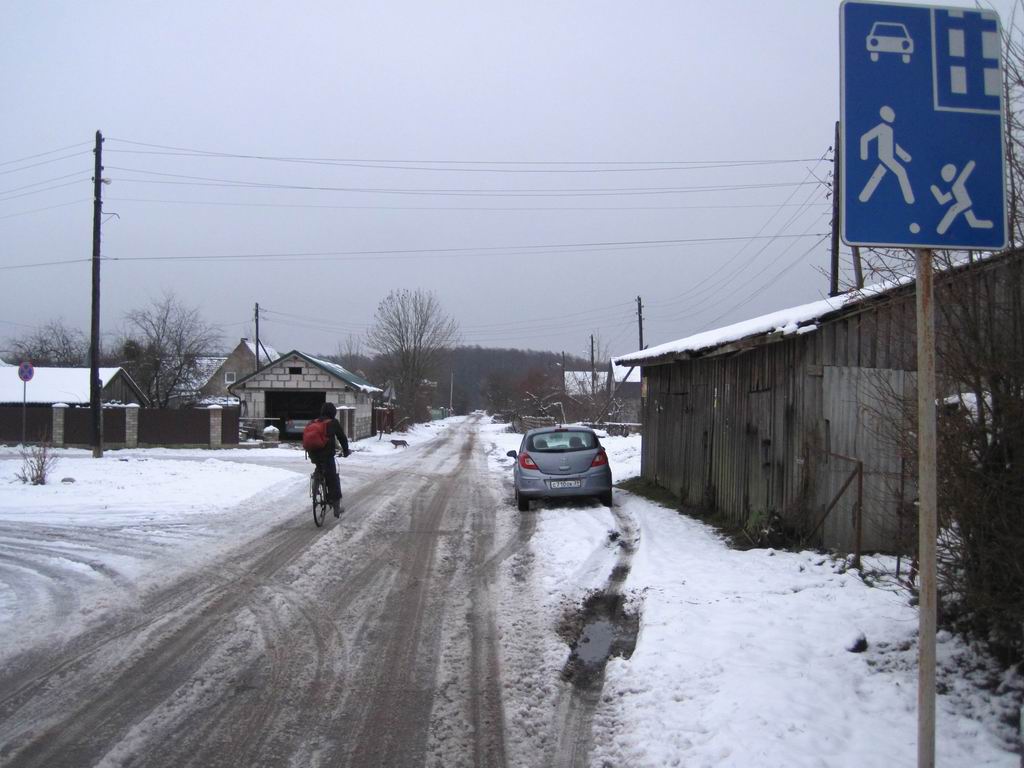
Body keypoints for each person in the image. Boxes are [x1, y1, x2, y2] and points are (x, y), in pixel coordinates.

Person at [308, 402, 351, 517]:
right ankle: (337, 507)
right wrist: (346, 451)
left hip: (313, 454)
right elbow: (342, 437)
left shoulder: (313, 422)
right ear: (333, 412)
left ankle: (316, 483)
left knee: (319, 466)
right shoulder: (333, 423)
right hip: (327, 455)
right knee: (333, 478)